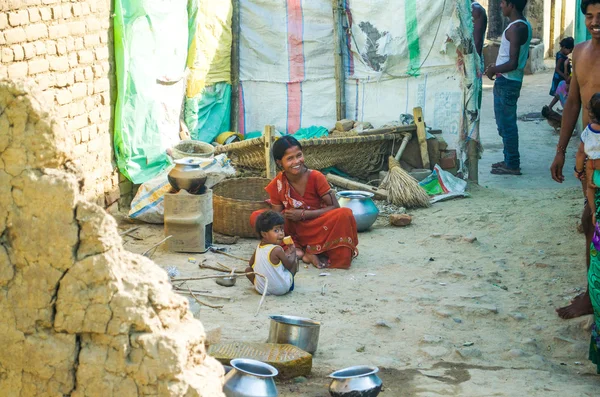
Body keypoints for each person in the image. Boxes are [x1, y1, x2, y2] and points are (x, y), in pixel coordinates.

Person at [550, 0, 600, 320]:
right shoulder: (579, 53)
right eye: (590, 16)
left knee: (590, 222)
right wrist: (561, 150)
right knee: (590, 222)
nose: (596, 22)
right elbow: (571, 103)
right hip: (590, 160)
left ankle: (592, 294)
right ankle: (592, 291)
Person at [250, 135, 358, 269]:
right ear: (279, 162)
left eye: (299, 155)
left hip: (319, 226)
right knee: (257, 217)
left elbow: (335, 207)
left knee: (344, 214)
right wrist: (286, 215)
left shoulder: (316, 177)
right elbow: (275, 219)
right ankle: (302, 252)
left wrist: (303, 214)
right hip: (294, 230)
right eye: (290, 158)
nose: (296, 161)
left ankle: (307, 251)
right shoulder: (277, 184)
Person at [485, 0, 532, 176]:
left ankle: (512, 164)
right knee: (503, 124)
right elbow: (520, 57)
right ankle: (509, 160)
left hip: (507, 81)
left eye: (503, 3)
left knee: (507, 125)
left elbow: (513, 62)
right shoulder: (520, 25)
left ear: (511, 5)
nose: (500, 6)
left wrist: (494, 70)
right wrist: (496, 66)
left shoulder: (515, 28)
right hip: (508, 80)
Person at [245, 211, 298, 296]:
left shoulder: (258, 247)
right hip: (281, 290)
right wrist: (293, 252)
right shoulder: (277, 249)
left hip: (262, 290)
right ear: (264, 234)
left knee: (248, 270)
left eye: (282, 229)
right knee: (294, 261)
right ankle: (289, 284)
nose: (281, 233)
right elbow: (289, 265)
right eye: (276, 230)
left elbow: (250, 264)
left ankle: (259, 285)